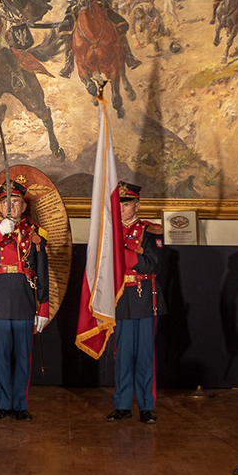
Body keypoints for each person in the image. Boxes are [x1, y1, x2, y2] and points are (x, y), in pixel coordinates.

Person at [0, 178, 49, 421]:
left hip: (24, 298)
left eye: (15, 202)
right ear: (0, 206)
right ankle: (3, 404)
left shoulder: (35, 232)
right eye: (6, 202)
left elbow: (42, 272)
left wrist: (43, 308)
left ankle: (20, 405)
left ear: (24, 207)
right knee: (0, 356)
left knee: (23, 357)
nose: (11, 206)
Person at [107, 182, 165, 424]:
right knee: (122, 355)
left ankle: (146, 407)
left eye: (127, 205)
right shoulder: (109, 233)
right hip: (120, 298)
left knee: (144, 356)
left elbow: (149, 264)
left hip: (143, 298)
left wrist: (120, 253)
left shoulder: (150, 231)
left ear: (137, 206)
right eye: (119, 205)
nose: (122, 209)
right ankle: (121, 405)